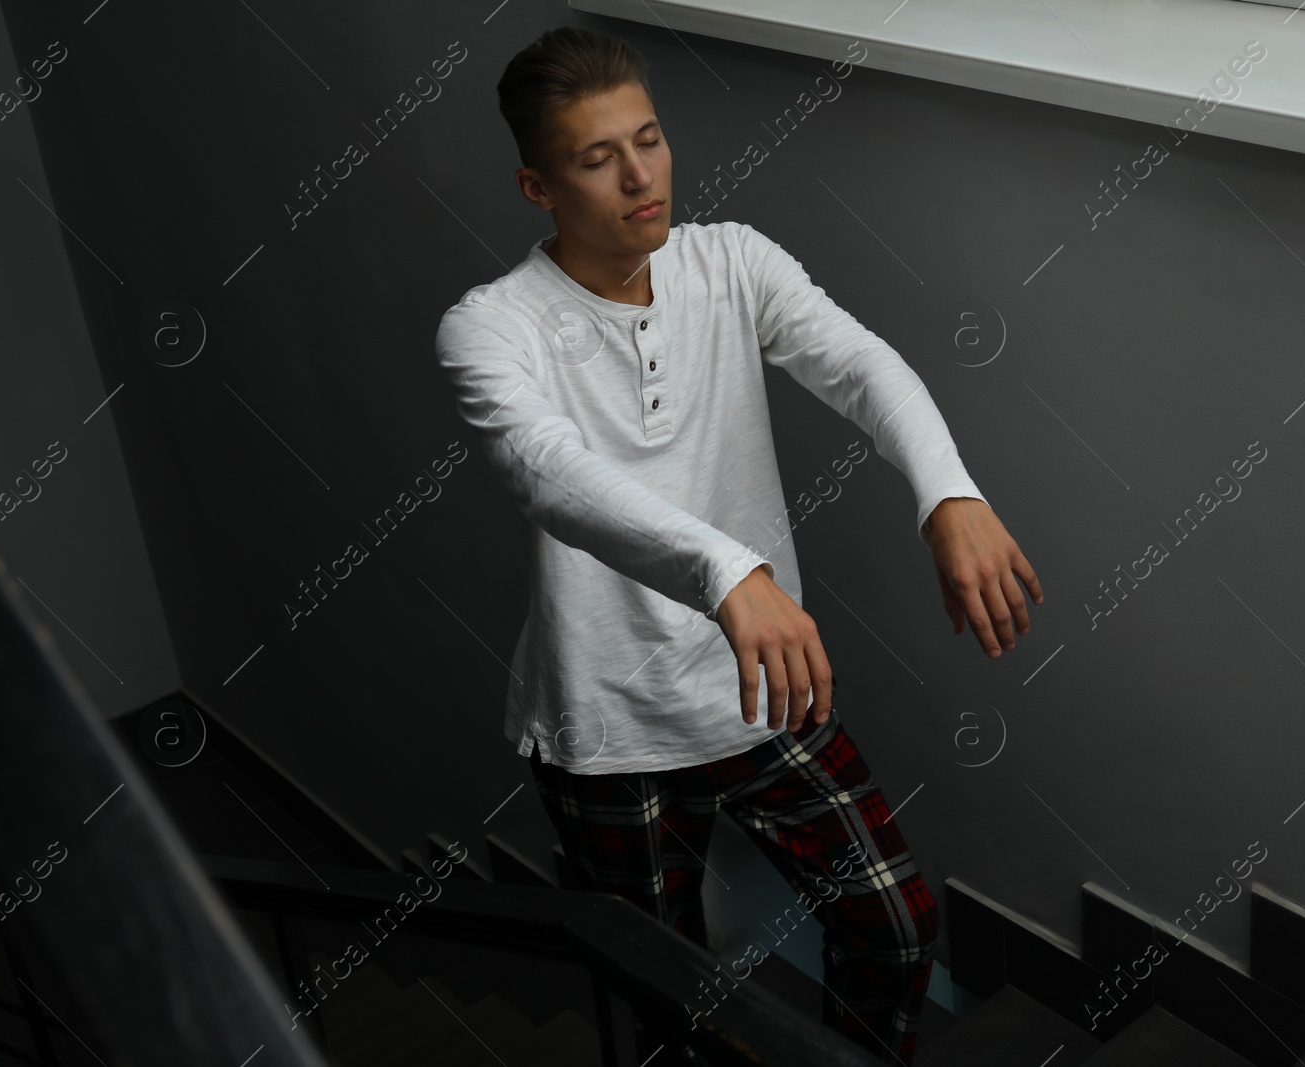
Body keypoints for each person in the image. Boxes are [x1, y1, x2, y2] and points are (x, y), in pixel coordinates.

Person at [433, 25, 1043, 1066]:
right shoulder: (492, 328)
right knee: (661, 998)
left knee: (893, 931)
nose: (640, 176)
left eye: (650, 139)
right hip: (608, 728)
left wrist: (948, 493)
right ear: (537, 185)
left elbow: (861, 365)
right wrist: (731, 571)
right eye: (596, 157)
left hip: (766, 690)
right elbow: (548, 473)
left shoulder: (732, 261)